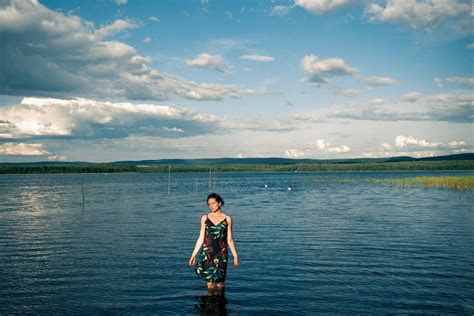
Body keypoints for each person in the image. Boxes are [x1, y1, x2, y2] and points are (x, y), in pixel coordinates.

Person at [189, 193, 239, 290]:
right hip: (208, 254)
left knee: (220, 283)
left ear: (219, 203)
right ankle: (209, 304)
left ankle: (220, 304)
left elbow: (230, 239)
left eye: (213, 203)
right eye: (209, 204)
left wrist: (235, 256)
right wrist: (193, 254)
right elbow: (201, 238)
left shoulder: (227, 219)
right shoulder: (205, 218)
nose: (211, 206)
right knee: (210, 285)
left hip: (221, 254)